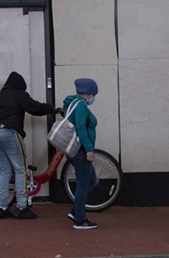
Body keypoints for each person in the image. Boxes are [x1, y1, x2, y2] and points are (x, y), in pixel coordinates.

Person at [0, 71, 58, 219]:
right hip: (10, 133)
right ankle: (21, 207)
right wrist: (51, 109)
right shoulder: (19, 95)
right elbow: (35, 108)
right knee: (20, 170)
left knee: (5, 170)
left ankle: (1, 207)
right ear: (20, 86)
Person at [63, 78, 100, 230]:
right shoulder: (81, 105)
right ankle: (80, 220)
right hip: (80, 150)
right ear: (89, 93)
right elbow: (81, 127)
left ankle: (76, 211)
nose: (93, 98)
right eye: (93, 94)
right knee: (83, 184)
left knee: (91, 181)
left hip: (75, 149)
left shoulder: (71, 103)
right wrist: (89, 149)